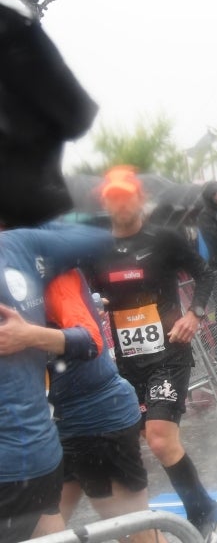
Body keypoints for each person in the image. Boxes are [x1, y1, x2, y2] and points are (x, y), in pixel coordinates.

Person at [88, 167, 217, 541]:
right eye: (113, 197)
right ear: (106, 201)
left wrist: (195, 314)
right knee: (122, 444)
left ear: (138, 198)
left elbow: (207, 274)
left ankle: (202, 513)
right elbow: (86, 295)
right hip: (127, 363)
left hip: (169, 354)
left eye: (127, 195)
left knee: (161, 439)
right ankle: (148, 527)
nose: (121, 203)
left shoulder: (163, 238)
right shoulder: (97, 250)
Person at [0, 224, 112, 543]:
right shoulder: (24, 245)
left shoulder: (23, 244)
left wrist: (32, 335)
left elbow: (91, 342)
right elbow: (100, 237)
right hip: (42, 456)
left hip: (14, 464)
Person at [40, 269, 164, 543]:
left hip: (97, 422)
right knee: (39, 531)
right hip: (53, 428)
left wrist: (27, 335)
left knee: (132, 531)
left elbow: (88, 340)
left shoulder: (48, 267)